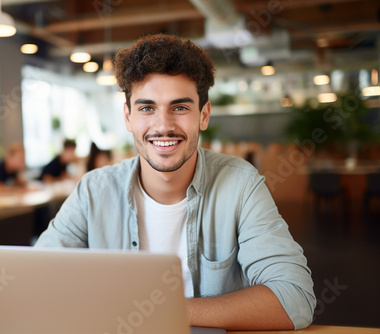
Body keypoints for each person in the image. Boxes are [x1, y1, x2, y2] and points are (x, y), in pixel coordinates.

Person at [35, 34, 315, 330]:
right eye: (147, 108)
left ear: (203, 115)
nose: (163, 126)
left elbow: (294, 299)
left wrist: (155, 311)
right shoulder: (94, 191)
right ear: (128, 117)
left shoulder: (241, 186)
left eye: (180, 107)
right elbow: (36, 281)